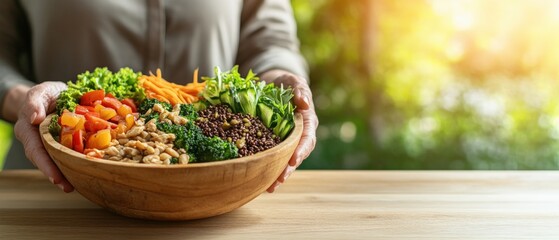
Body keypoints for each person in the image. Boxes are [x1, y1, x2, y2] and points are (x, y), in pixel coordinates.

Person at [0, 0, 318, 193]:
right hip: (54, 189)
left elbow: (271, 43)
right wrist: (21, 98)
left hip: (215, 193)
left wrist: (283, 80)